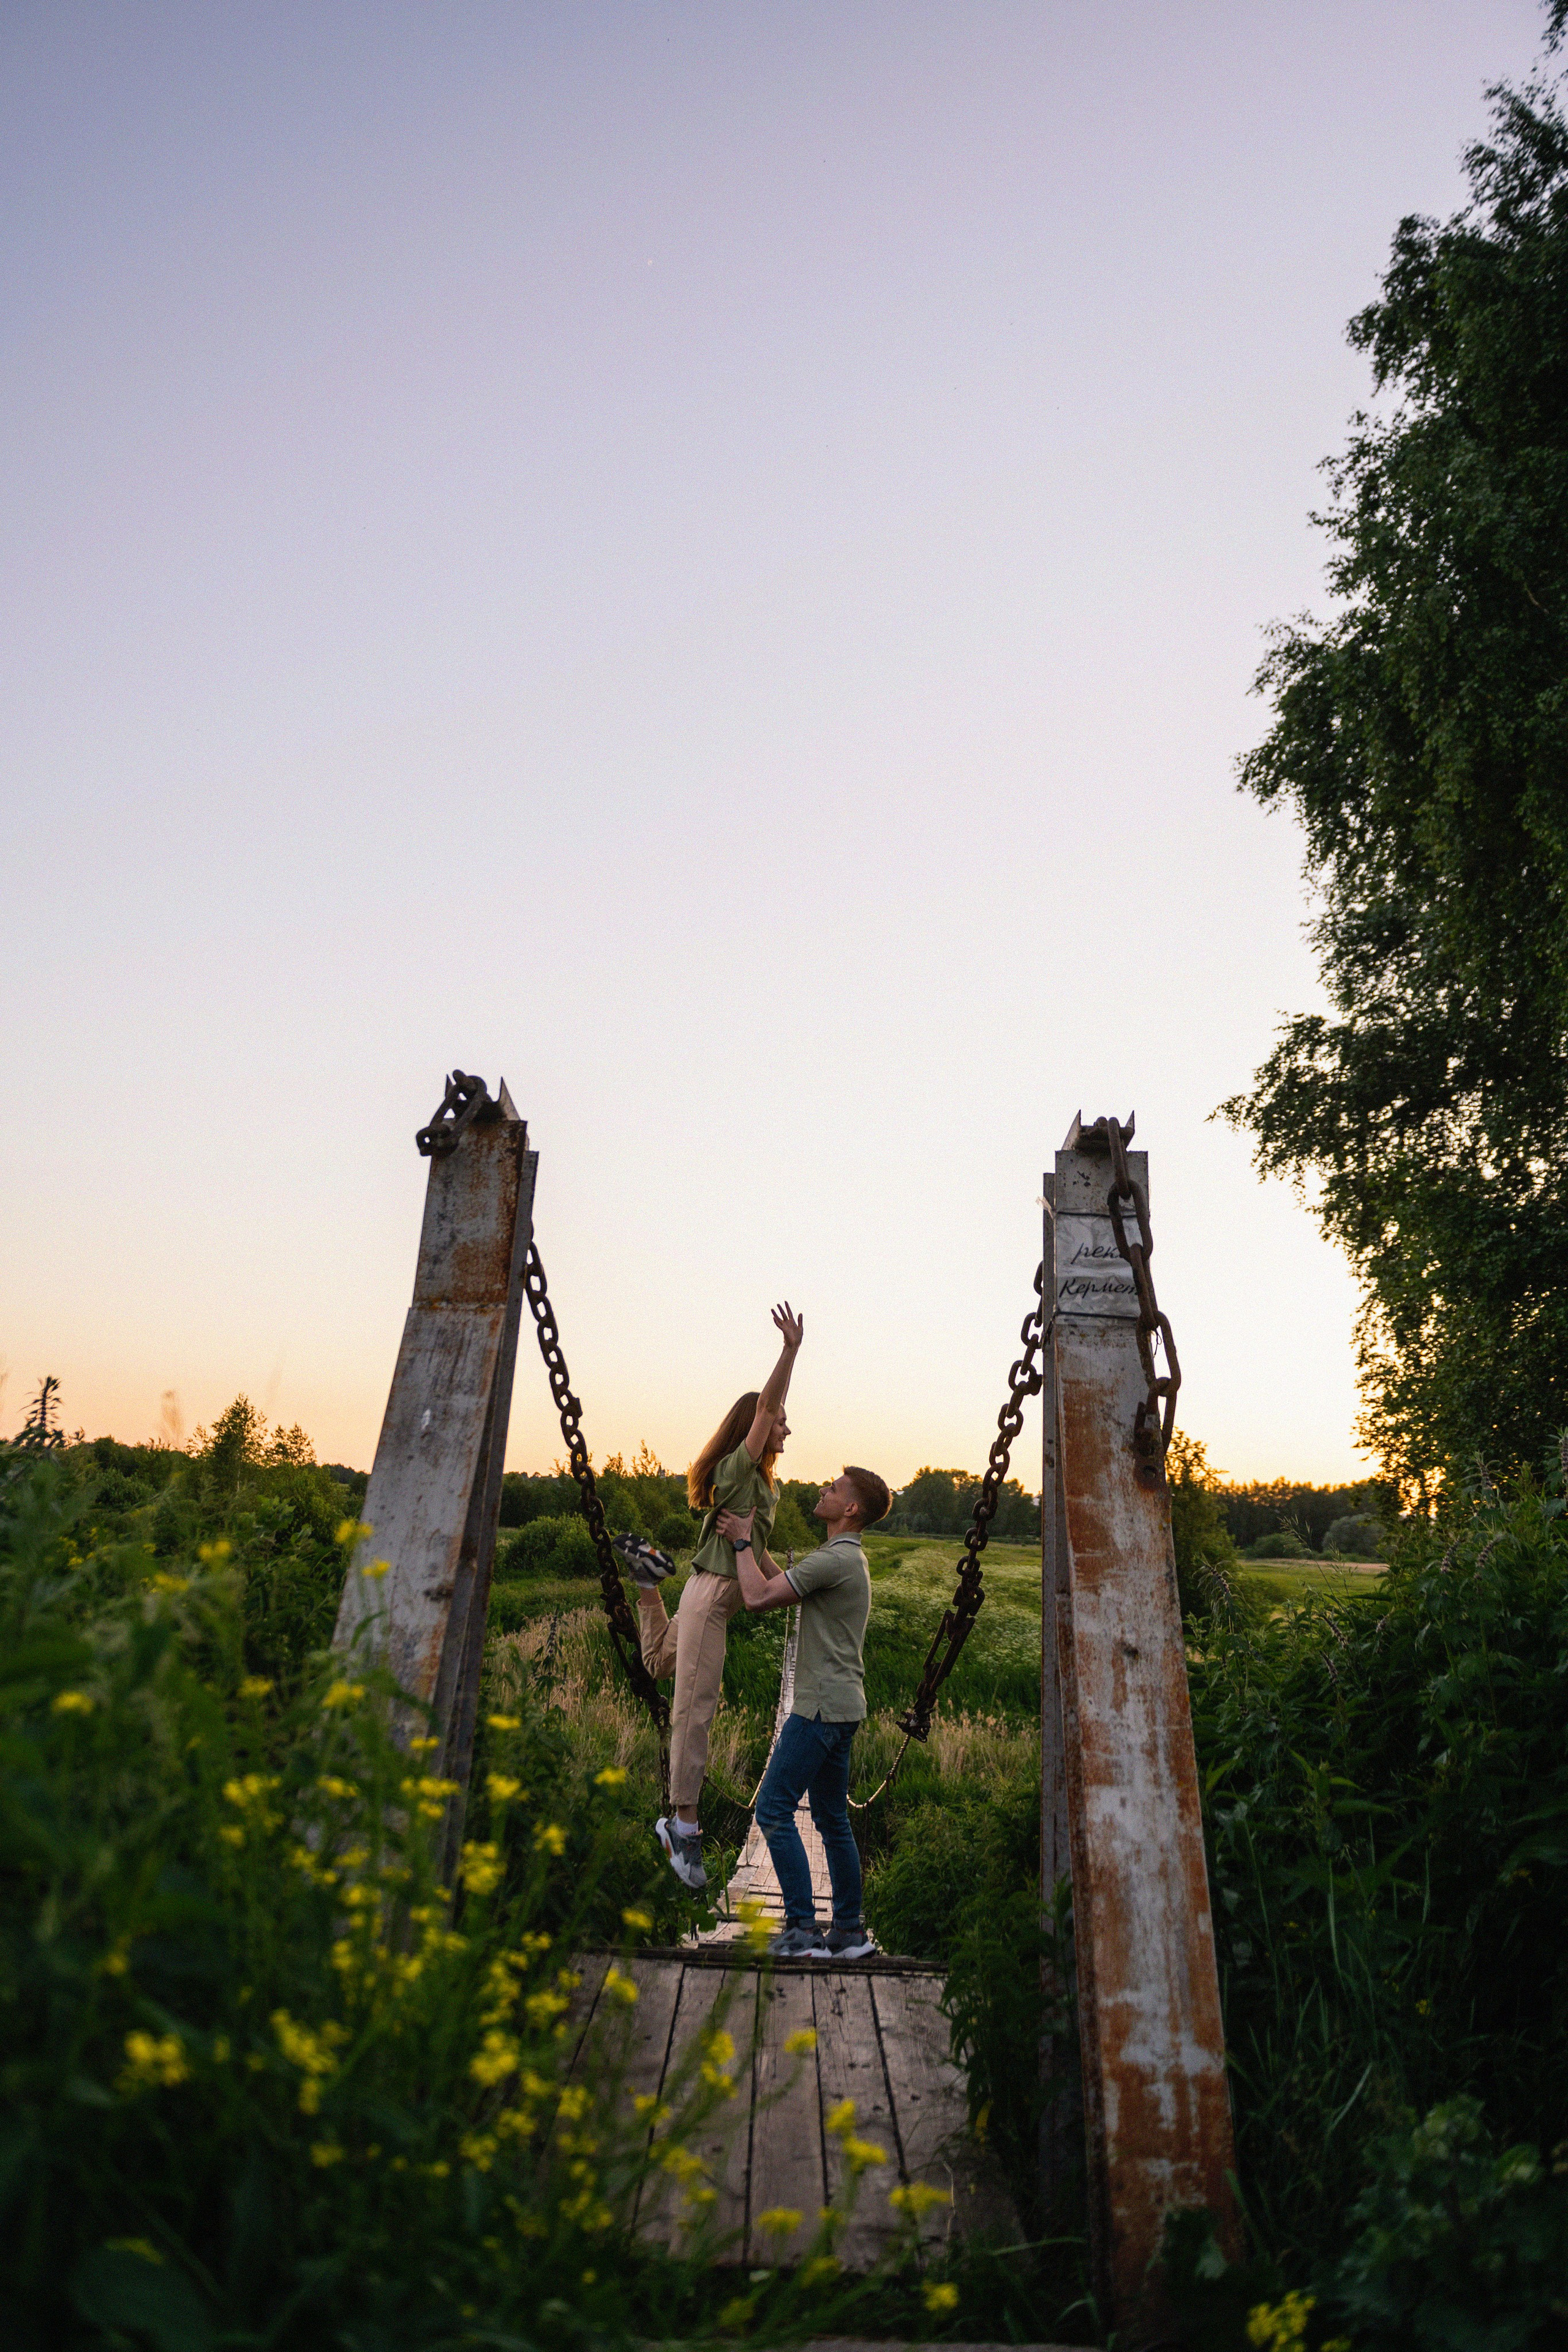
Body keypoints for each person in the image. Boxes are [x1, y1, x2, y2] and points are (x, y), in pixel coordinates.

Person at [631, 1303, 804, 1891]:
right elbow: (766, 1406)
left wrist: (796, 1588)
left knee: (661, 1665)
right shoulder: (738, 1470)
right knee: (694, 1707)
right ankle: (683, 1826)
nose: (786, 1429)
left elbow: (758, 1556)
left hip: (704, 1590)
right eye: (781, 1423)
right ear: (758, 1426)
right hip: (711, 1599)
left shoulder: (760, 1486)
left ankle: (648, 1583)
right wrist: (789, 1351)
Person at [717, 1461, 890, 1959]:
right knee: (833, 1819)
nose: (823, 1489)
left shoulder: (834, 1560)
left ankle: (801, 1930)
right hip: (844, 1705)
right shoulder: (846, 1559)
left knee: (773, 1808)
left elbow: (757, 1597)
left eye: (833, 1488)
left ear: (850, 1508)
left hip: (817, 1708)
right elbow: (788, 1586)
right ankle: (849, 1933)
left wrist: (741, 1545)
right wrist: (759, 1549)